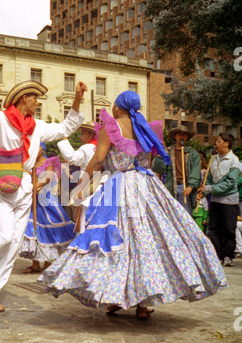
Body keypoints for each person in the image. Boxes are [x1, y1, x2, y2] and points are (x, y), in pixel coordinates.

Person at [39, 91, 227, 320]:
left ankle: (123, 295)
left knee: (121, 242)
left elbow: (98, 160)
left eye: (115, 105)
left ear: (119, 107)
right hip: (145, 186)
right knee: (145, 241)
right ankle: (139, 301)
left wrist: (81, 184)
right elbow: (149, 160)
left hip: (121, 186)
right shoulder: (144, 128)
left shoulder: (112, 126)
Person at [0, 79, 87, 312]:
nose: (37, 102)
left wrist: (78, 99)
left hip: (25, 190)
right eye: (35, 98)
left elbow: (65, 128)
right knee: (3, 238)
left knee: (13, 245)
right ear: (24, 99)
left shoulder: (37, 125)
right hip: (2, 185)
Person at [20, 142, 76, 273]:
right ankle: (34, 263)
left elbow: (48, 178)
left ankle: (48, 261)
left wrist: (36, 185)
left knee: (49, 229)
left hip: (45, 199)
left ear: (43, 149)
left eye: (38, 147)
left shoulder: (48, 162)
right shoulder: (28, 163)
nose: (35, 150)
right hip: (32, 199)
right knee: (34, 229)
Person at [198, 133, 240, 267]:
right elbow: (209, 178)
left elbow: (230, 183)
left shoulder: (234, 161)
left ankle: (228, 255)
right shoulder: (213, 159)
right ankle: (217, 254)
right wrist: (205, 188)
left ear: (227, 143)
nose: (215, 143)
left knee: (228, 229)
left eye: (218, 141)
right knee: (214, 228)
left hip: (229, 201)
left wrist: (209, 188)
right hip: (215, 200)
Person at [58, 122, 102, 233]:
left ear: (91, 134)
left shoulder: (89, 148)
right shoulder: (101, 147)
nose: (81, 138)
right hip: (101, 185)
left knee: (83, 216)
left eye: (82, 134)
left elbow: (72, 158)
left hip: (87, 184)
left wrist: (63, 139)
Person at [153, 125, 201, 216]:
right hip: (171, 187)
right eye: (179, 134)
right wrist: (159, 154)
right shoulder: (168, 152)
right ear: (175, 136)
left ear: (187, 137)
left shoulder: (193, 154)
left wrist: (190, 186)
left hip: (185, 188)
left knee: (185, 216)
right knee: (171, 216)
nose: (181, 136)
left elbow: (196, 172)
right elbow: (158, 170)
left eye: (184, 134)